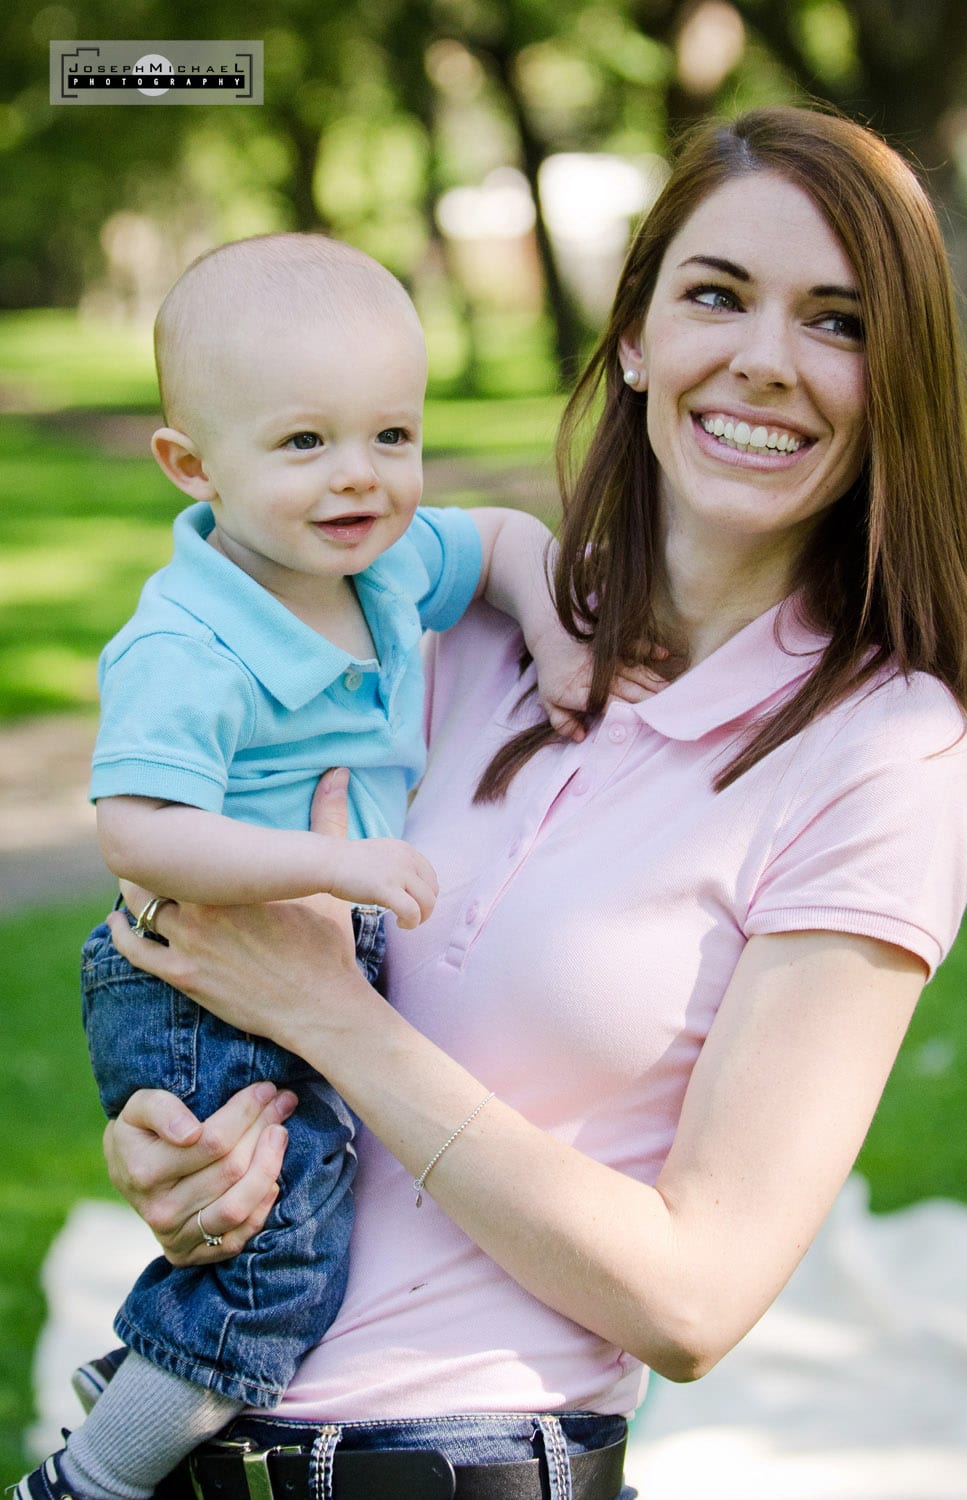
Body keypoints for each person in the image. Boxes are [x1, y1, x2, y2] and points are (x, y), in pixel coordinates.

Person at [56, 105, 967, 1500]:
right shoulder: (445, 623)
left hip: (458, 1461)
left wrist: (330, 1016)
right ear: (633, 334)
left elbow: (693, 1300)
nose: (764, 361)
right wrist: (178, 1149)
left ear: (898, 379)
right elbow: (199, 910)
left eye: (840, 322)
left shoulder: (886, 755)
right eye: (717, 295)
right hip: (200, 1455)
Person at [16, 235, 663, 1500]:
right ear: (190, 466)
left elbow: (501, 537)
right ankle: (92, 1475)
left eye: (392, 436)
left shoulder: (373, 567)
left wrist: (554, 632)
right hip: (198, 973)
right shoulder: (189, 643)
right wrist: (330, 863)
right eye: (304, 444)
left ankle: (158, 1375)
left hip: (302, 945)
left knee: (282, 1231)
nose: (359, 477)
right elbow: (136, 831)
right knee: (273, 1265)